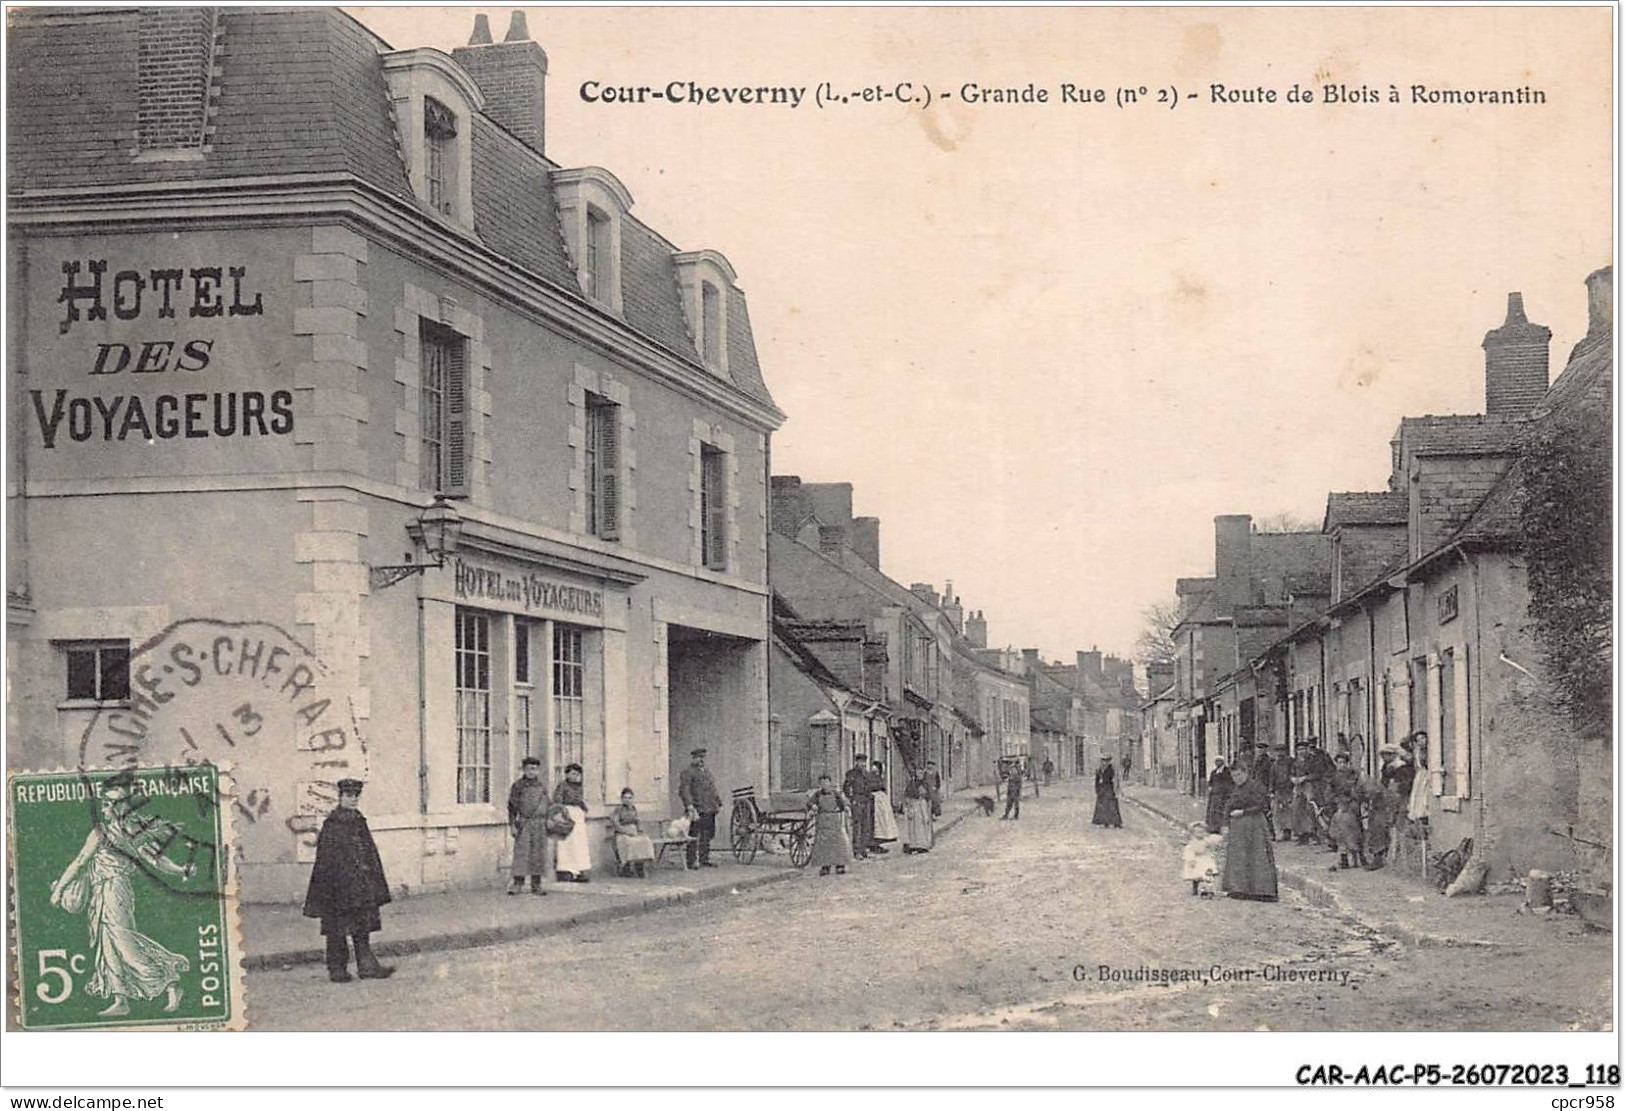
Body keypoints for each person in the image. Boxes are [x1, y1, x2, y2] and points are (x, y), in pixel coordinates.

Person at [50, 782, 193, 1013]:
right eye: (105, 802)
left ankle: (170, 981)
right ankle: (121, 1001)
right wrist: (181, 870)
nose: (105, 807)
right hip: (102, 892)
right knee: (108, 945)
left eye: (110, 803)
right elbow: (80, 861)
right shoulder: (116, 832)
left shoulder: (112, 833)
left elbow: (156, 860)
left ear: (121, 807)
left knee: (125, 944)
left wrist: (180, 870)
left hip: (116, 890)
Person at [302, 778, 394, 982]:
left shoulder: (359, 822)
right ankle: (337, 970)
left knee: (362, 927)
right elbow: (325, 860)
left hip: (360, 887)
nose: (353, 800)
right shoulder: (332, 824)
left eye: (355, 796)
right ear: (340, 797)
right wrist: (331, 888)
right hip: (337, 887)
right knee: (336, 930)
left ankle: (367, 967)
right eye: (349, 796)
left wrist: (372, 882)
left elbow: (369, 853)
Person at [1221, 763, 1279, 901]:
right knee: (1239, 856)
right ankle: (1239, 889)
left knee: (1257, 855)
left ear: (1246, 773)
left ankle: (1261, 890)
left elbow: (1262, 804)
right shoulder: (1235, 789)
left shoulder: (1256, 786)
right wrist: (1225, 824)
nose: (1237, 778)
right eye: (1234, 776)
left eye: (1239, 775)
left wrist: (1243, 811)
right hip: (1238, 827)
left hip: (1255, 825)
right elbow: (1228, 805)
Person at [506, 756, 550, 896]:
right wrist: (513, 825)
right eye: (530, 769)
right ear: (524, 770)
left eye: (535, 769)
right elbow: (512, 807)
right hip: (524, 823)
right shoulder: (518, 786)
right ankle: (518, 883)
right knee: (522, 853)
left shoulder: (542, 787)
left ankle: (536, 885)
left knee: (538, 854)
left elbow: (548, 805)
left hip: (540, 824)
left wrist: (548, 821)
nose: (532, 772)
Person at [678, 747, 722, 869]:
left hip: (709, 808)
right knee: (694, 834)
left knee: (707, 834)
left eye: (703, 758)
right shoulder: (688, 772)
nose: (701, 760)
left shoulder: (706, 772)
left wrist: (717, 801)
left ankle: (704, 859)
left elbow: (712, 788)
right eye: (698, 757)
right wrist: (689, 805)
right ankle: (691, 861)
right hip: (697, 808)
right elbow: (684, 790)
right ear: (693, 758)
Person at [552, 763, 593, 883]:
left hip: (578, 815)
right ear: (567, 774)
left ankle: (580, 870)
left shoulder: (579, 787)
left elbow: (580, 801)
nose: (575, 776)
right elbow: (558, 800)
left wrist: (583, 808)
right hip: (567, 813)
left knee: (579, 843)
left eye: (577, 774)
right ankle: (566, 871)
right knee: (568, 843)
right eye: (572, 773)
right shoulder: (562, 786)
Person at [805, 774, 853, 876]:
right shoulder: (817, 794)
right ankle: (825, 867)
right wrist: (812, 805)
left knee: (837, 843)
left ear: (830, 783)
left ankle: (840, 865)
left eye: (826, 782)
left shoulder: (836, 794)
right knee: (823, 846)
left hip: (834, 820)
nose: (824, 785)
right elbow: (809, 803)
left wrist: (846, 808)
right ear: (820, 784)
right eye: (822, 783)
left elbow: (843, 803)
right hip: (822, 820)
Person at [609, 788, 657, 878]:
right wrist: (627, 832)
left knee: (645, 840)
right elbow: (616, 824)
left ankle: (640, 866)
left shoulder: (633, 809)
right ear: (622, 799)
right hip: (622, 833)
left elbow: (638, 821)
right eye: (625, 798)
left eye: (630, 798)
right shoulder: (618, 810)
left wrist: (639, 830)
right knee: (630, 842)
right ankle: (626, 867)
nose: (628, 800)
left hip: (634, 831)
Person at [843, 755, 875, 857]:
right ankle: (856, 851)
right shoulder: (851, 773)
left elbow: (871, 786)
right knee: (857, 827)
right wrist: (851, 798)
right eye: (861, 762)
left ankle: (863, 849)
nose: (863, 764)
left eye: (864, 762)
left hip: (866, 801)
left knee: (866, 827)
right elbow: (846, 787)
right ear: (856, 762)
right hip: (857, 801)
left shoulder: (867, 774)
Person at [1181, 821, 1221, 897]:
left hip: (1205, 859)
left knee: (1207, 874)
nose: (1200, 834)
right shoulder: (1192, 843)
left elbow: (1213, 845)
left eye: (1202, 832)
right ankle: (1195, 888)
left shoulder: (1206, 841)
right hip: (1196, 860)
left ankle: (1207, 889)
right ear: (1193, 833)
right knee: (1195, 875)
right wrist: (1191, 859)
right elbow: (1189, 851)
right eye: (1197, 832)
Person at [901, 771, 935, 853]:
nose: (920, 775)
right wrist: (907, 807)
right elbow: (906, 796)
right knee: (912, 826)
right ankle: (913, 845)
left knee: (922, 825)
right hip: (913, 805)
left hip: (922, 807)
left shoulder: (925, 785)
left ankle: (922, 845)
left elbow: (929, 798)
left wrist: (929, 810)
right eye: (918, 773)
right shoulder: (911, 785)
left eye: (921, 774)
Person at [1269, 744, 1297, 843]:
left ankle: (1288, 831)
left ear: (1285, 752)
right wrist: (1271, 791)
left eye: (1282, 751)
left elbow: (1294, 773)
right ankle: (1279, 833)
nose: (1280, 753)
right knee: (1277, 812)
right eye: (1278, 751)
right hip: (1278, 790)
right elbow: (1272, 778)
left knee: (1289, 811)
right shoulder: (1274, 765)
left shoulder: (1291, 762)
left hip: (1289, 789)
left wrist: (1293, 785)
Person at [869, 760, 898, 854]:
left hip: (881, 801)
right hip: (874, 800)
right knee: (876, 821)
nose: (875, 770)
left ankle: (881, 840)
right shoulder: (870, 777)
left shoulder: (880, 777)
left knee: (883, 820)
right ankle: (874, 842)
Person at [1204, 757, 1234, 834]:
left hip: (1223, 795)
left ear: (1222, 762)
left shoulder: (1227, 771)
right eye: (1216, 761)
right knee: (1213, 811)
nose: (1217, 763)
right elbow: (1211, 782)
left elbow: (1229, 783)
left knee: (1221, 811)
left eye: (1219, 761)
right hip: (1214, 795)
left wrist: (1226, 792)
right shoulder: (1214, 772)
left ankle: (1221, 827)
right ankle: (1213, 827)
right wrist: (1210, 788)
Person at [1092, 754, 1123, 828]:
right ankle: (1105, 822)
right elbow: (1097, 780)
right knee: (1103, 806)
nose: (1105, 763)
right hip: (1102, 789)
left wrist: (1116, 789)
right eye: (1103, 761)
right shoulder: (1099, 770)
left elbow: (1115, 779)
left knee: (1112, 806)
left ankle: (1116, 822)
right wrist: (1097, 790)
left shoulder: (1112, 769)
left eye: (1107, 761)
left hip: (1110, 788)